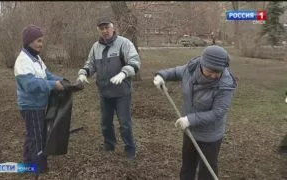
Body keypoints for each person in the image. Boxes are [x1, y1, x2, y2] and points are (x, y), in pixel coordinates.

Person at [153, 45, 237, 180]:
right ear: (202, 65)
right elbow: (176, 72)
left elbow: (218, 112)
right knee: (187, 167)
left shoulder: (225, 84)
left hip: (210, 136)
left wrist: (190, 120)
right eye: (211, 71)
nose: (214, 75)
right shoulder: (192, 68)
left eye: (218, 72)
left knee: (206, 173)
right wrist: (162, 75)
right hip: (190, 131)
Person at [77, 17, 141, 160]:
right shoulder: (96, 47)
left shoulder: (124, 43)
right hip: (104, 91)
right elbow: (90, 64)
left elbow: (135, 62)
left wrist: (124, 73)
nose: (105, 31)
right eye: (102, 28)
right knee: (105, 122)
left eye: (107, 27)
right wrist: (83, 73)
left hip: (121, 92)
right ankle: (109, 144)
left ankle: (130, 149)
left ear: (113, 28)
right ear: (99, 30)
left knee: (124, 123)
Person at [14, 24, 64, 174]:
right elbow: (31, 85)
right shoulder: (23, 61)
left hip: (38, 105)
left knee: (32, 135)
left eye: (42, 41)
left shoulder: (36, 58)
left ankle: (27, 164)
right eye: (38, 41)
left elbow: (47, 75)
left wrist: (63, 81)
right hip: (31, 107)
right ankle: (38, 169)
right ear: (29, 41)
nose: (41, 44)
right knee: (38, 138)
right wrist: (53, 85)